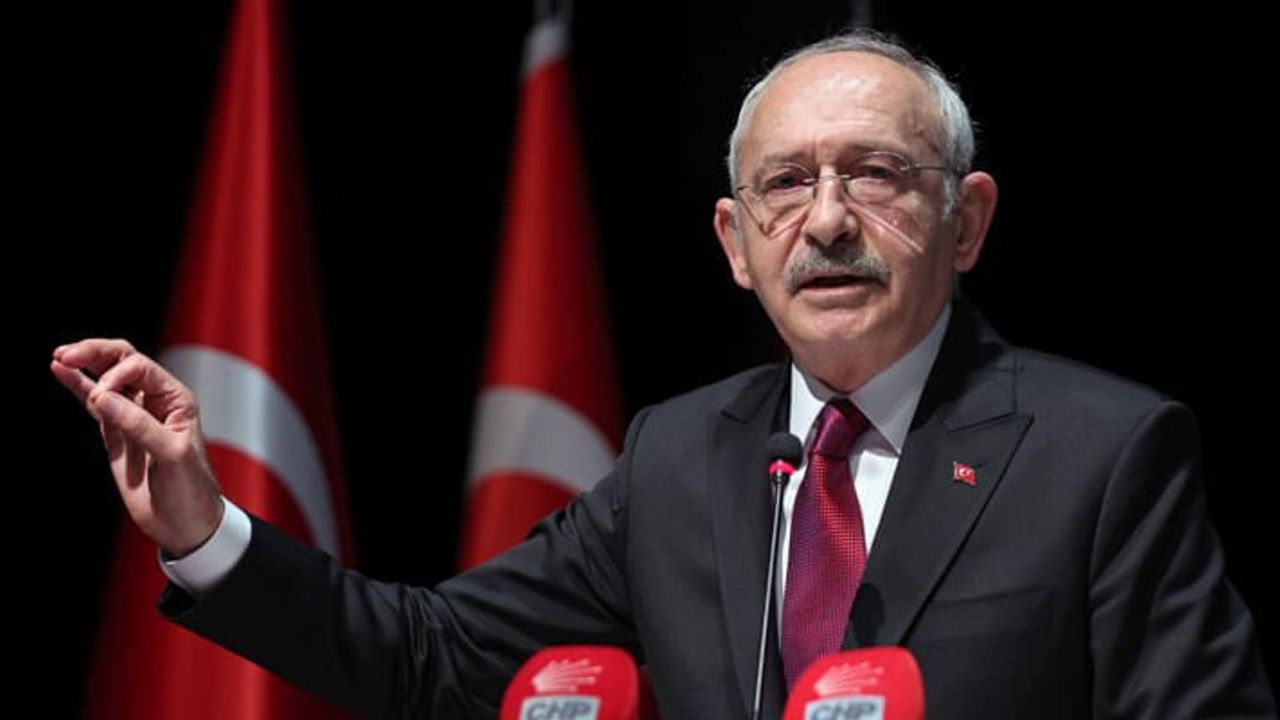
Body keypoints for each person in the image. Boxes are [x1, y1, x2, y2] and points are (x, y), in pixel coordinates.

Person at [52, 30, 1274, 719]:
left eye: (875, 175)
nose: (827, 221)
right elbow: (430, 656)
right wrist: (205, 532)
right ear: (736, 246)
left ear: (966, 223)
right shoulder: (680, 457)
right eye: (785, 184)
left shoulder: (1100, 454)